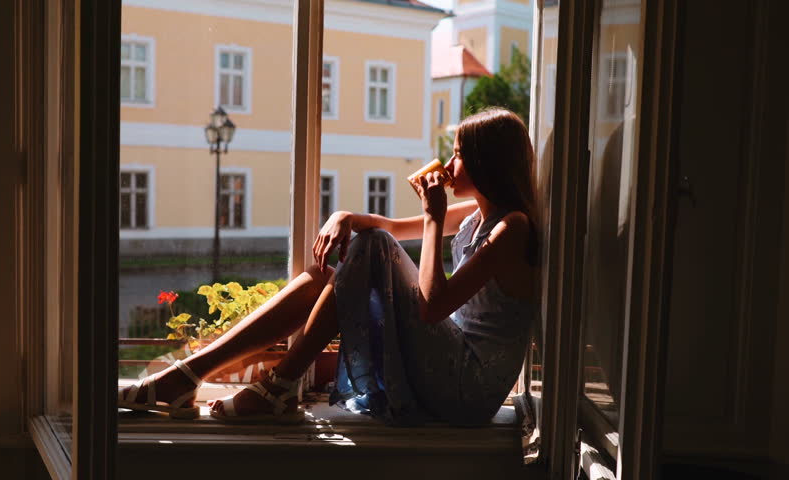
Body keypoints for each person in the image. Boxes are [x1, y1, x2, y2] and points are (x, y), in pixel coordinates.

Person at [118, 107, 540, 426]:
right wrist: (344, 216)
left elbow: (433, 306)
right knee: (325, 272)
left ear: (486, 163)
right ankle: (189, 374)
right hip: (449, 360)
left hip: (467, 389)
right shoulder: (478, 214)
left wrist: (433, 218)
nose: (447, 166)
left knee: (373, 245)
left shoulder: (512, 227)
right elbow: (394, 226)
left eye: (458, 155)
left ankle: (278, 388)